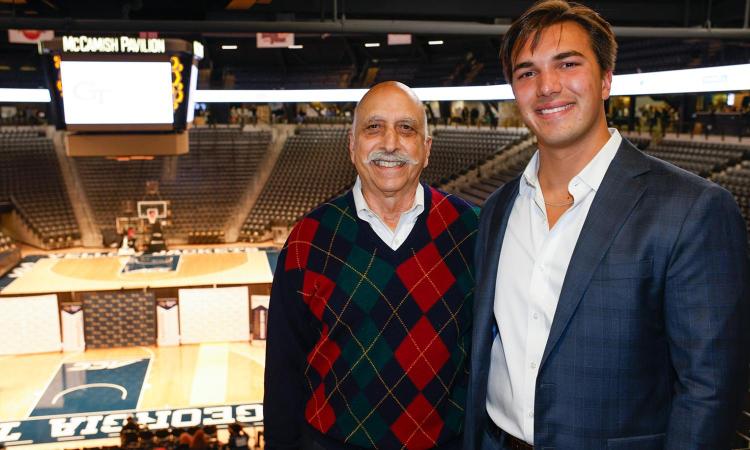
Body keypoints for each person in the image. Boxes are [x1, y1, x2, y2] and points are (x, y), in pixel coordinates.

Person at [464, 1, 749, 449]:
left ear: (606, 80)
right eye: (526, 73)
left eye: (568, 64)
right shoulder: (499, 209)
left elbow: (710, 392)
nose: (547, 87)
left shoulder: (692, 208)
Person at [264, 81, 480, 449]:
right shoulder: (308, 239)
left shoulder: (472, 230)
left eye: (407, 128)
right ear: (352, 145)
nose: (391, 143)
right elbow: (283, 372)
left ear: (426, 149)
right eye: (374, 127)